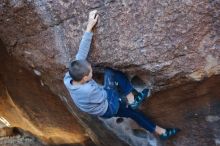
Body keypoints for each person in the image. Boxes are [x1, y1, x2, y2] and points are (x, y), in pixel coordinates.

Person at [64, 10, 180, 140]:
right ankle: (132, 99)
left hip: (99, 109)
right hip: (108, 106)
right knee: (110, 72)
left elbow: (81, 54)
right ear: (85, 78)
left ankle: (162, 132)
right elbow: (106, 94)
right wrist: (120, 98)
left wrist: (89, 26)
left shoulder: (70, 76)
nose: (92, 71)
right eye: (90, 72)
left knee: (133, 113)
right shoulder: (89, 90)